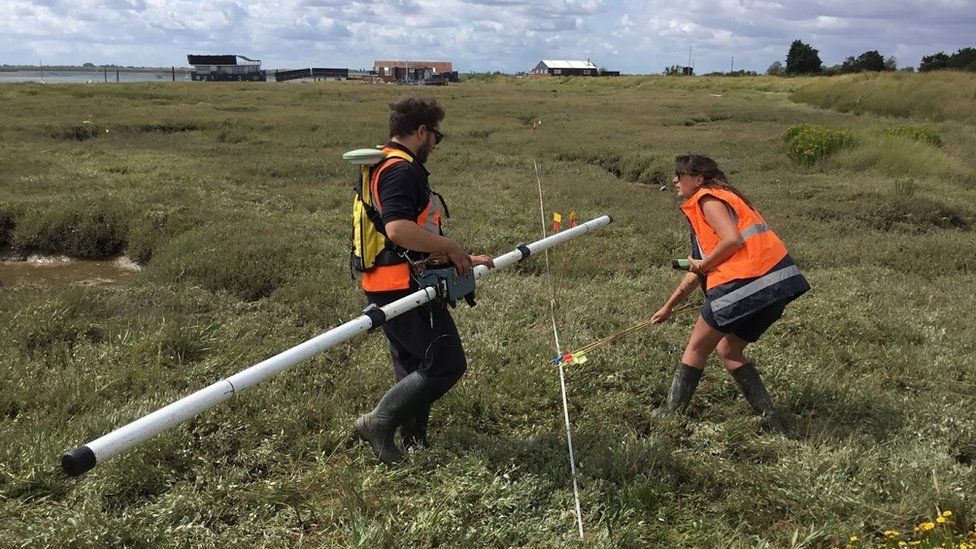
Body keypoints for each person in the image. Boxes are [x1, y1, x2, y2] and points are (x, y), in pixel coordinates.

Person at [354, 96, 493, 464]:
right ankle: (377, 422)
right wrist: (449, 243)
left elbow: (395, 236)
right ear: (420, 131)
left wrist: (450, 256)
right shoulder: (401, 170)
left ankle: (413, 439)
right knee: (446, 362)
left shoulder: (382, 163)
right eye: (435, 135)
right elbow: (398, 230)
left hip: (388, 280)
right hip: (402, 286)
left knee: (415, 364)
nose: (435, 143)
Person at [650, 155, 810, 431]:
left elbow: (732, 241)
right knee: (730, 350)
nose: (676, 180)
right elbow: (698, 270)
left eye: (681, 174)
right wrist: (668, 307)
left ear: (698, 180)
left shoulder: (707, 200)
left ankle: (669, 419)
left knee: (697, 348)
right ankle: (772, 424)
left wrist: (706, 264)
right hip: (776, 287)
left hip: (744, 284)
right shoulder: (728, 199)